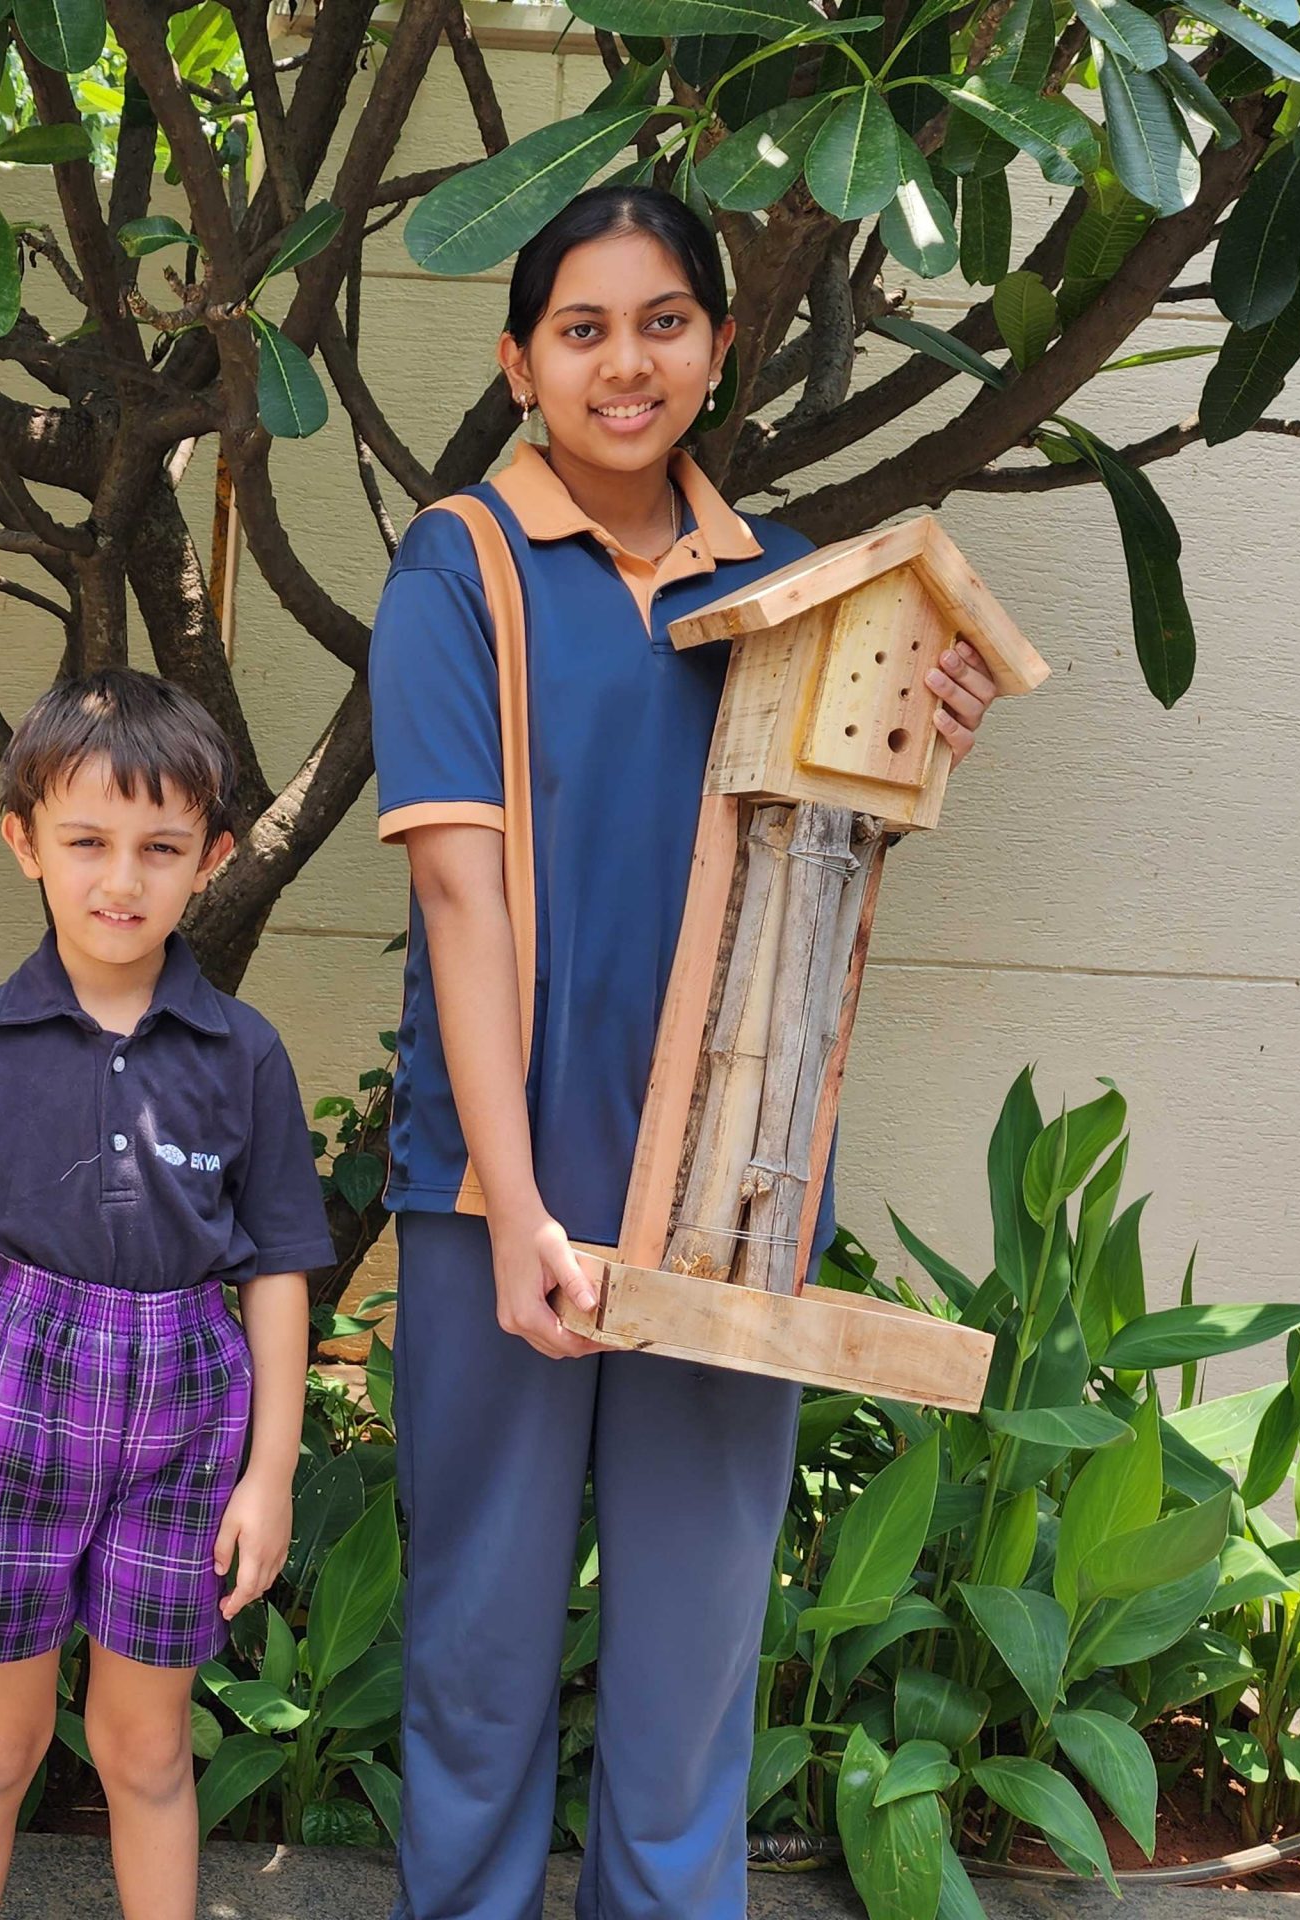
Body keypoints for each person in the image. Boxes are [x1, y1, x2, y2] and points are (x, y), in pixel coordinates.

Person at [367, 185, 1001, 1920]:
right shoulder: (460, 568)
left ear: (720, 351)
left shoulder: (795, 581)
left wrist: (927, 723)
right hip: (500, 1195)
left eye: (662, 322)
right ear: (518, 362)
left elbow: (823, 839)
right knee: (481, 1665)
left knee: (692, 1679)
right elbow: (462, 901)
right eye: (581, 328)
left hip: (737, 1204)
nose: (622, 362)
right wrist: (511, 1207)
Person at [0, 669, 338, 1920]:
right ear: (24, 840)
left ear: (214, 857)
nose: (119, 880)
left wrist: (270, 1472)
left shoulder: (243, 1055)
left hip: (187, 1421)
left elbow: (280, 1272)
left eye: (159, 848)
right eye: (85, 841)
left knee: (144, 1750)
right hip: (11, 1398)